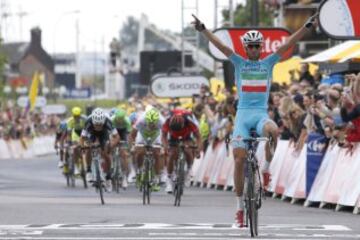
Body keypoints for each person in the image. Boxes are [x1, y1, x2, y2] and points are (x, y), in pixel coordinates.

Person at [192, 13, 319, 227]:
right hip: (242, 115)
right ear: (245, 48)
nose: (253, 49)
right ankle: (240, 210)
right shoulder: (239, 62)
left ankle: (266, 169)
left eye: (256, 46)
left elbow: (289, 42)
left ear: (261, 48)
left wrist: (306, 27)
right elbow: (221, 46)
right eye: (249, 46)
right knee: (239, 160)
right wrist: (203, 29)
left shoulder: (269, 62)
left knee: (274, 131)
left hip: (260, 114)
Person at [162, 109, 202, 193]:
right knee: (171, 154)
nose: (178, 132)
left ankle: (189, 169)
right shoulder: (167, 121)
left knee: (188, 149)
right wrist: (165, 147)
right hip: (173, 138)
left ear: (183, 124)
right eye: (176, 130)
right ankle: (169, 179)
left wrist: (198, 149)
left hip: (186, 136)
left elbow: (198, 137)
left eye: (179, 129)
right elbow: (164, 137)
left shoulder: (189, 121)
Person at [80, 108, 118, 191]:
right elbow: (82, 137)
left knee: (105, 153)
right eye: (96, 124)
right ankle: (89, 170)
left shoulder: (108, 121)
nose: (98, 127)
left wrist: (111, 145)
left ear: (103, 121)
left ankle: (108, 178)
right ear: (93, 121)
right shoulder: (88, 121)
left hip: (104, 133)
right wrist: (83, 146)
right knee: (88, 148)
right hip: (91, 133)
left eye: (100, 124)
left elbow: (117, 137)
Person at [130, 108, 164, 192]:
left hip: (156, 135)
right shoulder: (141, 120)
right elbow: (133, 134)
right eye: (150, 123)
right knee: (139, 152)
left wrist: (163, 147)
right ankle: (139, 171)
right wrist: (133, 145)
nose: (152, 125)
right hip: (142, 134)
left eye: (153, 124)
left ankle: (155, 179)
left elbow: (165, 135)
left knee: (157, 154)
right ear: (146, 121)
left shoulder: (161, 121)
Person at [110, 108, 132, 189]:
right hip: (114, 132)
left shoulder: (127, 121)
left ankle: (124, 177)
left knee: (124, 154)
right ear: (115, 117)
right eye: (118, 119)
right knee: (111, 146)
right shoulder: (111, 120)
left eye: (121, 119)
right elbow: (109, 134)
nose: (119, 121)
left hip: (123, 132)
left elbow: (129, 136)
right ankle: (111, 164)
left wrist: (128, 146)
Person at [66, 107, 87, 175]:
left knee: (86, 147)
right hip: (75, 133)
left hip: (83, 133)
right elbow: (69, 134)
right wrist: (69, 142)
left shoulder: (85, 119)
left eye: (78, 116)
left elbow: (88, 130)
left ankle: (85, 162)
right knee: (75, 148)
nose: (77, 118)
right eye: (75, 116)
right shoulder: (70, 121)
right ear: (73, 115)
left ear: (80, 115)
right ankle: (76, 167)